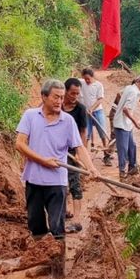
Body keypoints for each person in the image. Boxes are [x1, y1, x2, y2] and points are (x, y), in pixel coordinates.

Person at [15, 79, 99, 245]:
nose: (59, 101)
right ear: (44, 96)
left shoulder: (67, 121)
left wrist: (91, 168)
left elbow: (79, 147)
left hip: (57, 182)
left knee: (57, 227)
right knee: (36, 225)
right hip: (34, 179)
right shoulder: (30, 116)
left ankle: (58, 260)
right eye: (55, 97)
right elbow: (20, 144)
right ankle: (39, 256)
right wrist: (43, 161)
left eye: (61, 97)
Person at [113, 76, 140, 178]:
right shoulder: (133, 92)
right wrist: (135, 121)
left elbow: (139, 100)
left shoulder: (130, 88)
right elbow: (125, 109)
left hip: (127, 124)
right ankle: (122, 171)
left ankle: (133, 167)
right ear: (137, 82)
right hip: (121, 124)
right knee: (123, 149)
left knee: (132, 146)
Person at [62, 78, 87, 231]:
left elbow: (83, 132)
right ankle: (65, 211)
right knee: (60, 183)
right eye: (72, 93)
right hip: (58, 151)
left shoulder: (80, 109)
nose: (75, 97)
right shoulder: (58, 106)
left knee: (74, 183)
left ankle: (77, 219)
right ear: (65, 91)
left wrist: (80, 152)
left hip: (72, 151)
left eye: (77, 94)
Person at [79, 68, 112, 166]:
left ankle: (106, 156)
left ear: (92, 76)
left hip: (97, 112)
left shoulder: (98, 85)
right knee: (86, 135)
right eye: (85, 78)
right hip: (86, 113)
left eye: (88, 78)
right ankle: (85, 159)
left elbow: (100, 100)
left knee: (103, 134)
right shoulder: (81, 83)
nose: (86, 80)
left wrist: (92, 109)